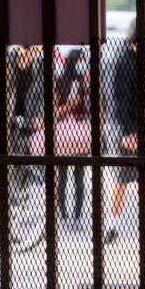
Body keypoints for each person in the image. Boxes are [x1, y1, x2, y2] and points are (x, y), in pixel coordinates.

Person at [105, 18, 145, 245]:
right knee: (121, 181)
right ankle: (112, 227)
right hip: (125, 130)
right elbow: (116, 101)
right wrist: (127, 133)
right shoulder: (120, 60)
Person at [54, 49, 92, 226]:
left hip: (81, 134)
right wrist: (72, 103)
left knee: (80, 177)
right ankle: (63, 213)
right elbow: (56, 111)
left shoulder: (87, 83)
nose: (83, 66)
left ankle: (77, 215)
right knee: (62, 176)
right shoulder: (61, 82)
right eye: (80, 62)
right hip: (64, 132)